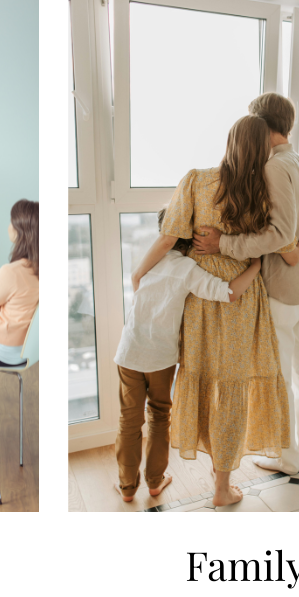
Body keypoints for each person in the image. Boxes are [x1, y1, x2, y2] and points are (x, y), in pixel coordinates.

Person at [141, 115, 299, 506]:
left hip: (201, 296)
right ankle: (222, 488)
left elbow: (169, 235)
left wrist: (139, 273)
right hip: (242, 295)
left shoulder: (196, 180)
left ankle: (209, 478)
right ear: (263, 148)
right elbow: (281, 242)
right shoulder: (262, 190)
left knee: (202, 378)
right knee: (233, 387)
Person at [193, 93, 299, 476]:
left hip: (282, 290)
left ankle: (286, 458)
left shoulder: (275, 168)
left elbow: (277, 234)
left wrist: (223, 243)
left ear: (264, 126)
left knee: (279, 377)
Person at [113, 210, 264, 502]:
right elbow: (229, 293)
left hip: (129, 350)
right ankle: (155, 482)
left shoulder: (148, 261)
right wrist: (255, 267)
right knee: (158, 416)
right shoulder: (187, 269)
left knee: (128, 421)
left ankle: (127, 488)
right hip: (160, 357)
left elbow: (136, 287)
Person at [0, 199, 39, 367]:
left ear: (20, 230)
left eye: (11, 222)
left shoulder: (11, 272)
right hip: (30, 352)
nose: (8, 226)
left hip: (5, 353)